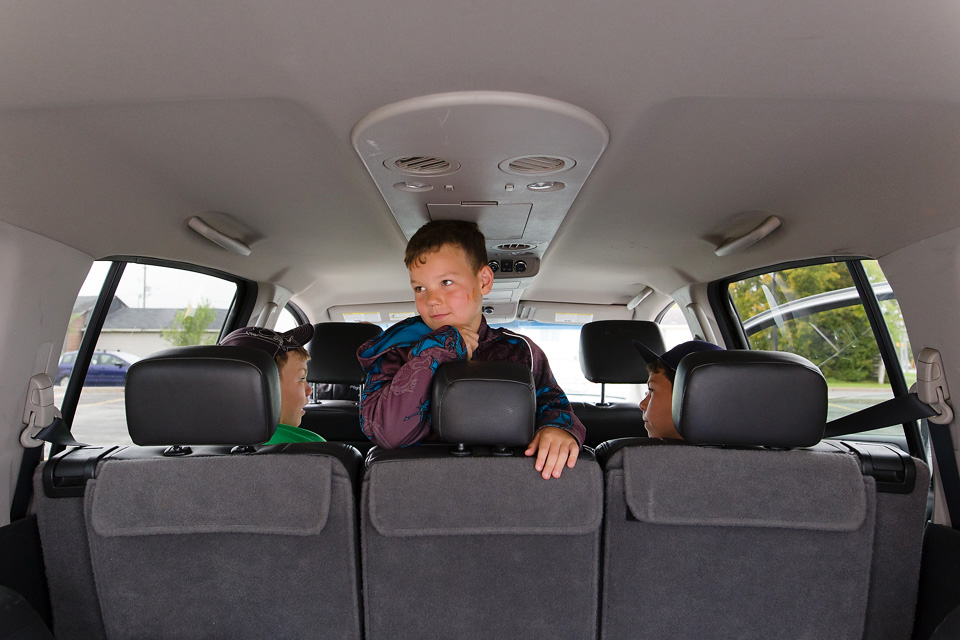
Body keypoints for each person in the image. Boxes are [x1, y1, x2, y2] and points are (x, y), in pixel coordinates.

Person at [357, 219, 585, 479]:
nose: (432, 299)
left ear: (484, 281)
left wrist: (558, 429)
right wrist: (436, 351)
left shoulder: (520, 352)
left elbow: (554, 405)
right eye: (420, 288)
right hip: (421, 487)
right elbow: (389, 433)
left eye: (446, 282)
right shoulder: (396, 351)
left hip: (505, 486)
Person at [219, 324, 326, 445]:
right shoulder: (314, 449)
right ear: (263, 387)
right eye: (301, 378)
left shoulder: (199, 445)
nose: (309, 390)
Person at [633, 339, 724, 439]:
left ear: (686, 401)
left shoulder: (629, 453)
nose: (642, 404)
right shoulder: (739, 453)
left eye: (652, 390)